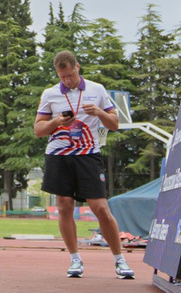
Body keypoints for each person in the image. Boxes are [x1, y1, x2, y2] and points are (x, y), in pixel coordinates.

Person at [34, 51, 133, 280]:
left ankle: (120, 260)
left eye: (70, 75)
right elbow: (38, 130)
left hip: (88, 155)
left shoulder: (97, 90)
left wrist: (98, 112)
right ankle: (75, 259)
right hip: (59, 155)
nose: (67, 80)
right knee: (64, 205)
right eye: (62, 77)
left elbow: (114, 124)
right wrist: (57, 121)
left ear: (77, 67)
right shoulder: (50, 94)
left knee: (100, 208)